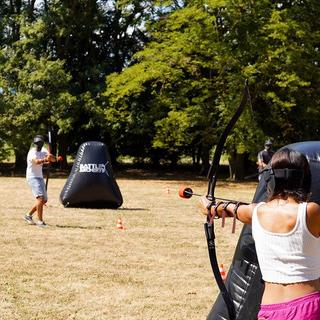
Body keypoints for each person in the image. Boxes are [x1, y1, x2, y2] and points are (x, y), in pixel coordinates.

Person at [200, 148, 320, 320]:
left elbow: (222, 209)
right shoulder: (311, 212)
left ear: (270, 179)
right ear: (304, 178)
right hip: (306, 308)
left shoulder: (255, 212)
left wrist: (208, 206)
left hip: (269, 310)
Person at [24, 135, 56, 227]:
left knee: (44, 200)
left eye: (40, 143)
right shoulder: (32, 152)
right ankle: (40, 222)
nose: (38, 145)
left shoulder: (44, 150)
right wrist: (45, 159)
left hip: (39, 177)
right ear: (34, 144)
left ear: (42, 143)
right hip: (32, 177)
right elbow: (36, 162)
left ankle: (28, 215)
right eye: (37, 143)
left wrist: (51, 157)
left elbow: (53, 160)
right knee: (40, 198)